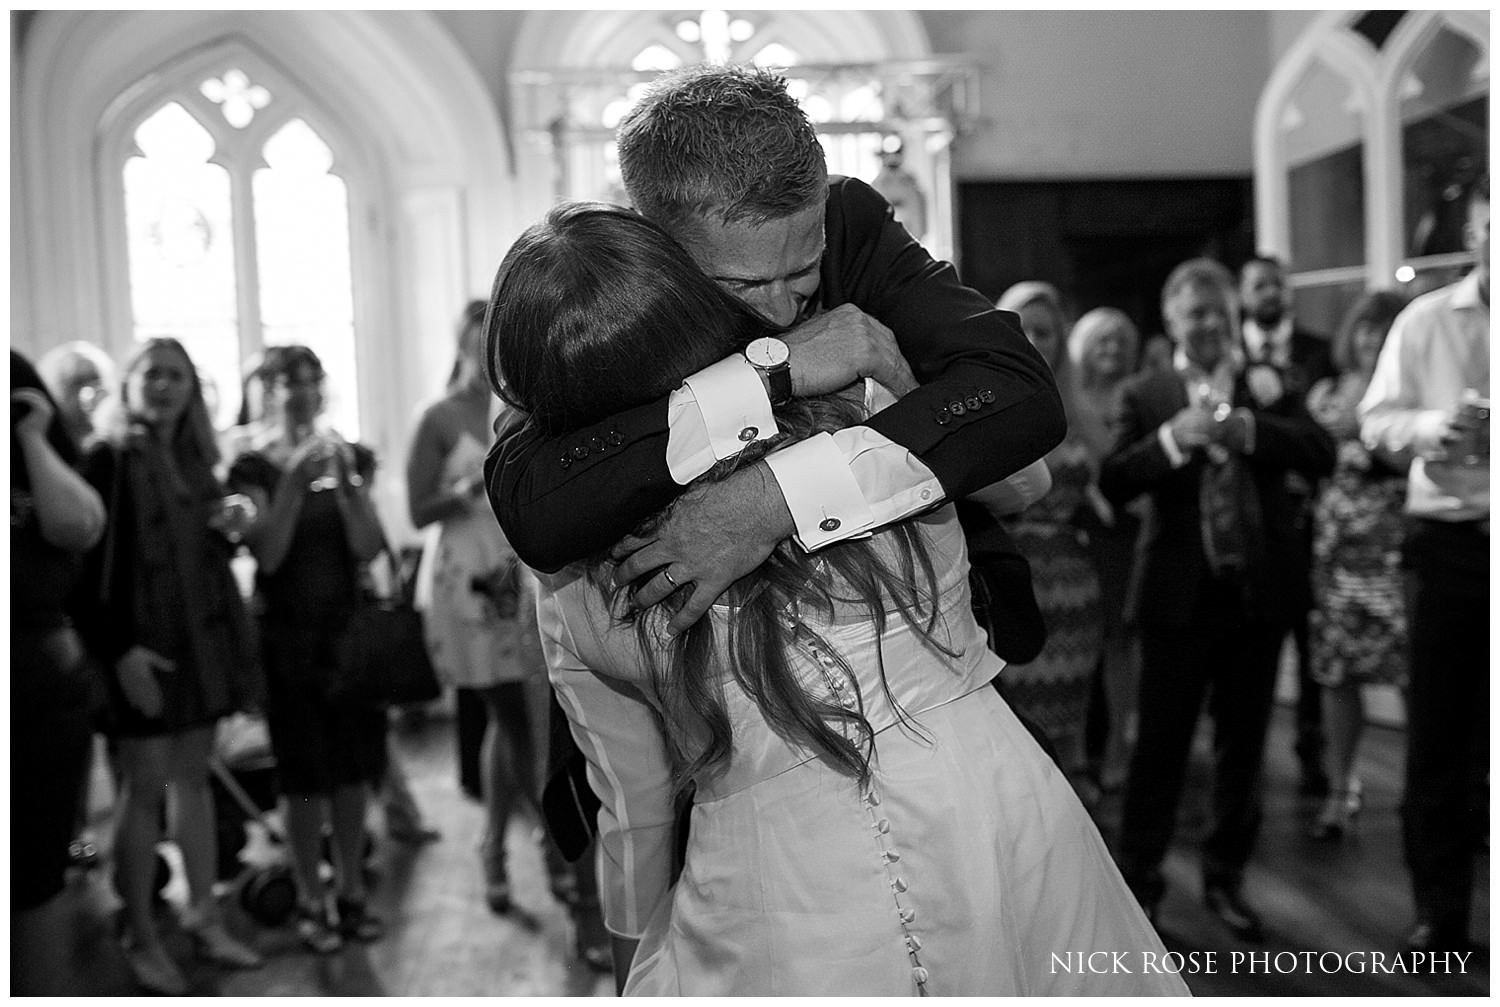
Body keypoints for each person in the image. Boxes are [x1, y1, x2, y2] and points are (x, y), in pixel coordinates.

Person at [487, 200, 1185, 996]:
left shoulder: (576, 584)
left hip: (772, 891)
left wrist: (626, 969)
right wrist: (847, 383)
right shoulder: (859, 409)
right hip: (988, 818)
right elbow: (1024, 477)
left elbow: (636, 804)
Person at [483, 62, 1065, 861]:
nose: (791, 301)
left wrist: (774, 498)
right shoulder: (615, 286)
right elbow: (535, 502)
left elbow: (1020, 396)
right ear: (657, 241)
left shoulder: (850, 221)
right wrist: (772, 372)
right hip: (710, 731)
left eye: (806, 268)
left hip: (927, 657)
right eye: (749, 283)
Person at [1099, 258, 1335, 944]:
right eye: (1194, 312)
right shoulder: (1148, 391)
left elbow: (1319, 451)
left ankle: (1226, 879)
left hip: (1256, 595)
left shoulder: (1270, 386)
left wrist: (1252, 433)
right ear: (1171, 321)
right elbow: (1114, 479)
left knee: (1244, 748)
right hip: (1177, 599)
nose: (1207, 324)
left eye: (1217, 312)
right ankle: (1140, 889)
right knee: (1160, 750)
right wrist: (1174, 440)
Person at [76, 337, 265, 994]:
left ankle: (205, 917)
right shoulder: (108, 459)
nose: (163, 385)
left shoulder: (195, 459)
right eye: (151, 373)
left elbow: (198, 544)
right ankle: (140, 934)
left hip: (198, 647)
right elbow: (86, 567)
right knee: (145, 789)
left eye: (176, 375)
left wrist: (228, 520)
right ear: (128, 383)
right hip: (139, 651)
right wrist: (119, 650)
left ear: (192, 389)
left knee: (194, 783)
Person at [1359, 175, 1488, 954]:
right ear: (1475, 234)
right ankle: (1442, 917)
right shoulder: (1426, 321)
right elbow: (1376, 419)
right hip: (1452, 547)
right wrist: (1435, 425)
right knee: (1443, 736)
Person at [227, 345, 389, 953]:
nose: (299, 391)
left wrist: (348, 485)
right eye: (285, 381)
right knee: (302, 778)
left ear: (323, 389)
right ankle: (310, 897)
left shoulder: (348, 452)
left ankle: (349, 890)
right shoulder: (252, 467)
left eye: (309, 380)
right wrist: (295, 479)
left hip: (346, 635)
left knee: (351, 772)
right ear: (266, 390)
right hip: (287, 636)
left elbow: (371, 548)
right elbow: (267, 555)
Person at [407, 301, 549, 916]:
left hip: (521, 570)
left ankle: (498, 843)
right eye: (480, 341)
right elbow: (417, 511)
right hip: (471, 578)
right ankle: (544, 845)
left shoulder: (527, 405)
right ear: (463, 345)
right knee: (513, 716)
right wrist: (465, 490)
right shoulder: (438, 418)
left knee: (514, 719)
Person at [11, 350, 106, 995]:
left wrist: (27, 435)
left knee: (33, 877)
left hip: (36, 683)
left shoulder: (30, 437)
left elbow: (79, 526)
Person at [1304, 290, 1410, 842]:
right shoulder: (1325, 393)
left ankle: (1436, 793)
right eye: (1365, 327)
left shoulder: (1409, 393)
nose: (1372, 337)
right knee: (1337, 674)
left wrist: (1369, 434)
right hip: (1336, 557)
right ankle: (1341, 787)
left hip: (1397, 556)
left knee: (1418, 674)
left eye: (1384, 328)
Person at [992, 282, 1103, 796]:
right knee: (1014, 717)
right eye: (1024, 329)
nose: (1036, 341)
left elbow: (1110, 482)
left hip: (1072, 577)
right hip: (1009, 575)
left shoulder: (1077, 409)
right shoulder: (987, 402)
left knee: (1069, 710)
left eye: (1046, 331)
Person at [1239, 254, 1339, 799]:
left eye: (1277, 282)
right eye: (1258, 284)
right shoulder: (1225, 355)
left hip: (1313, 517)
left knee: (1314, 645)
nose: (1269, 291)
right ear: (1243, 293)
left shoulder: (1317, 350)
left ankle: (1313, 748)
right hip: (1256, 522)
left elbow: (1324, 435)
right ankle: (1252, 760)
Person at [1067, 307, 1145, 793]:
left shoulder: (1137, 396)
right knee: (1078, 643)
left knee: (1119, 641)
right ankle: (1079, 750)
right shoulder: (1063, 394)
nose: (1112, 350)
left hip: (1121, 532)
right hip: (1074, 532)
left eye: (1120, 341)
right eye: (1103, 341)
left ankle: (1120, 742)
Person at [37, 340, 115, 451]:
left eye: (96, 379)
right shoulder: (46, 441)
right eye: (79, 382)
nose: (90, 390)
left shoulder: (114, 440)